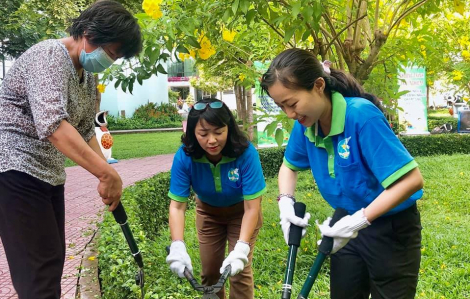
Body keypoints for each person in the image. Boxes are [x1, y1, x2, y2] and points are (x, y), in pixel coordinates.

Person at [0, 1, 142, 298]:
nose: (110, 61)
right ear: (89, 33)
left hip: (47, 175)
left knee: (51, 262)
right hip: (14, 171)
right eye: (111, 53)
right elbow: (53, 124)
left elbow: (85, 130)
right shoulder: (48, 56)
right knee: (37, 275)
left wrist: (107, 174)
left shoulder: (87, 76)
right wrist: (106, 173)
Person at [260, 48, 424, 299]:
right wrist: (285, 202)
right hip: (344, 227)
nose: (290, 114)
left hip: (390, 230)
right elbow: (289, 167)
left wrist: (360, 220)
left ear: (318, 85)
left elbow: (411, 180)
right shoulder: (306, 124)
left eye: (292, 103)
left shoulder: (360, 115)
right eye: (282, 107)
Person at [166, 98, 266, 299]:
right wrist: (177, 244)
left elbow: (252, 208)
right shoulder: (185, 157)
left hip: (242, 212)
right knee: (211, 272)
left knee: (238, 271)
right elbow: (177, 207)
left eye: (218, 132)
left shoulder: (246, 153)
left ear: (229, 129)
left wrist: (242, 247)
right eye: (203, 134)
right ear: (193, 133)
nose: (211, 140)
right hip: (208, 213)